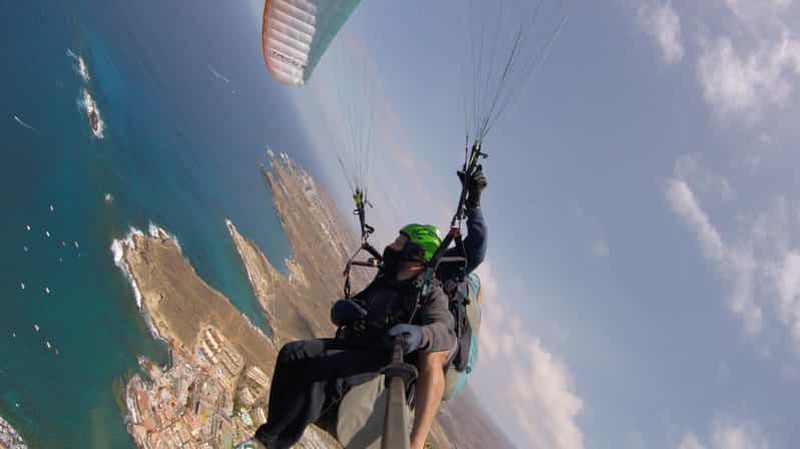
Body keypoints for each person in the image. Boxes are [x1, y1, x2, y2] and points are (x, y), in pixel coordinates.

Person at [237, 169, 488, 449]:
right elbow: (357, 305)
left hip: (386, 364)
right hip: (364, 347)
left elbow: (445, 333)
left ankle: (268, 444)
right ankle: (268, 435)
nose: (391, 247)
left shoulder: (431, 293)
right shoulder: (387, 280)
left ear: (414, 253)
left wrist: (418, 336)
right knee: (291, 354)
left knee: (321, 375)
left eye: (399, 243)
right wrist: (347, 309)